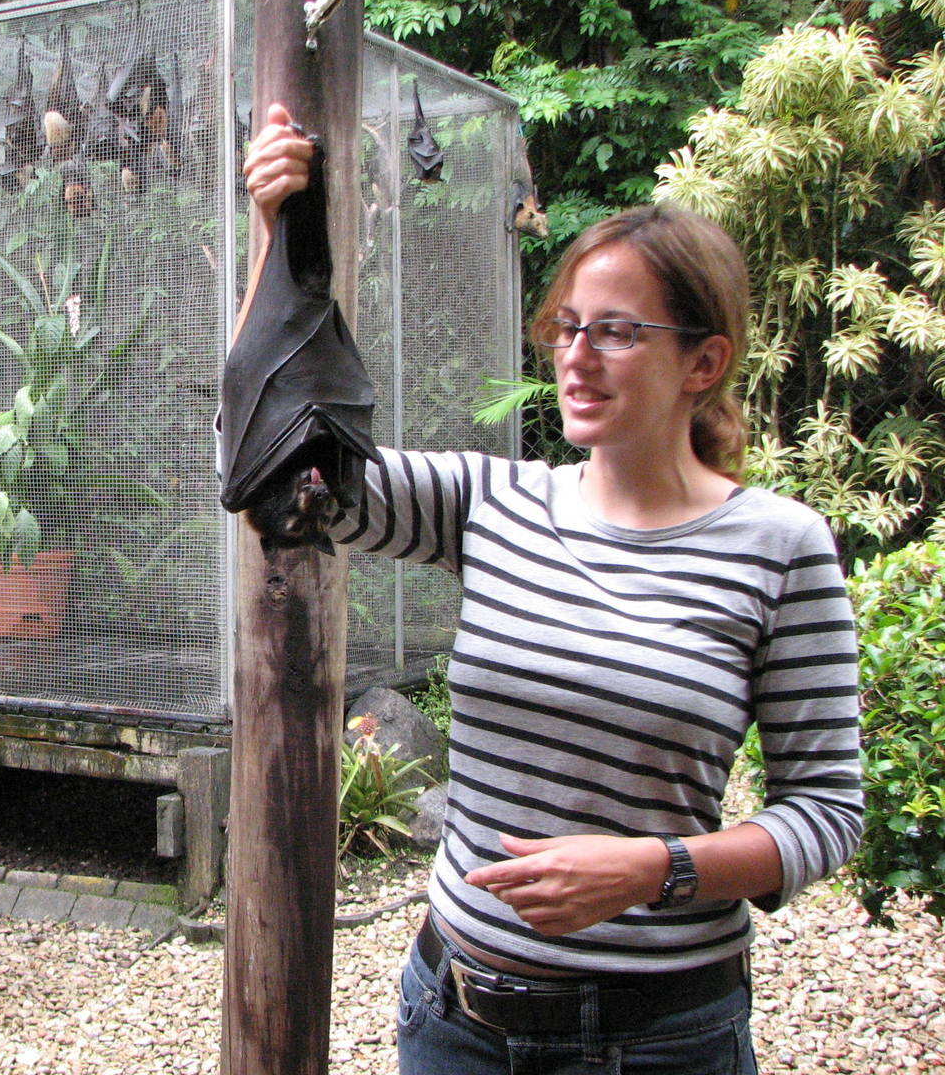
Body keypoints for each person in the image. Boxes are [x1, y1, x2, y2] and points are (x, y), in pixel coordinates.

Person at [238, 103, 864, 1074]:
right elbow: (272, 465)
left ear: (705, 361)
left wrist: (656, 870)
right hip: (457, 1024)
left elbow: (826, 812)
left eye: (616, 332)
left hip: (661, 1040)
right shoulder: (489, 501)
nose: (574, 356)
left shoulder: (780, 549)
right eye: (566, 326)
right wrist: (282, 244)